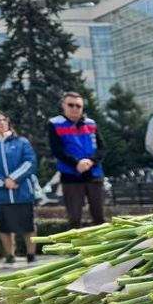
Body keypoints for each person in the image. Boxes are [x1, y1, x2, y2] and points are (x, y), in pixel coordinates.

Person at [0, 111, 39, 265]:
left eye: (4, 120)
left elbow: (30, 162)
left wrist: (14, 178)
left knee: (28, 226)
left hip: (23, 191)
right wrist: (3, 182)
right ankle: (10, 256)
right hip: (0, 194)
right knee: (5, 227)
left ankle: (31, 256)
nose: (1, 123)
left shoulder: (21, 142)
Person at [48, 91, 105, 227]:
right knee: (74, 219)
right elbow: (57, 150)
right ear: (63, 105)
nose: (75, 108)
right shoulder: (55, 123)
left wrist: (91, 161)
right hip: (71, 175)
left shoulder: (91, 123)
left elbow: (102, 148)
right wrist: (76, 163)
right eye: (71, 105)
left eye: (78, 106)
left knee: (100, 218)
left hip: (94, 173)